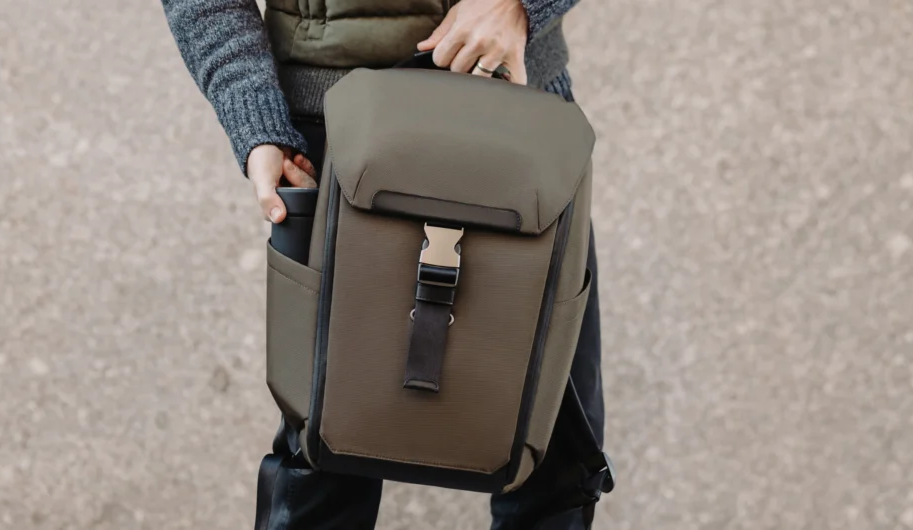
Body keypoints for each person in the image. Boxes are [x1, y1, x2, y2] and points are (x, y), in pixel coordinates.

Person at [161, 0, 606, 527]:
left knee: (555, 467)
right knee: (323, 468)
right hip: (342, 137)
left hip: (521, 121)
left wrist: (517, 5)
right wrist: (256, 118)